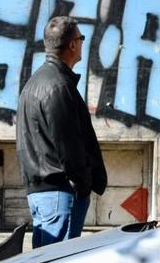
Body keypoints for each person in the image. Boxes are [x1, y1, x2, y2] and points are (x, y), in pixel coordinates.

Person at [16, 16, 106, 248]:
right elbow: (69, 147)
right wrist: (83, 186)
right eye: (81, 38)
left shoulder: (35, 83)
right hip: (59, 192)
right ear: (73, 45)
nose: (82, 44)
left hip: (44, 191)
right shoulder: (58, 86)